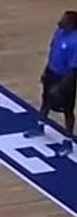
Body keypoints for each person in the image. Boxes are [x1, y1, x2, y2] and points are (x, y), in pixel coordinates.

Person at [24, 10, 77, 156]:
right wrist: (46, 71)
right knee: (45, 100)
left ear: (72, 24)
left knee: (67, 110)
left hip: (65, 78)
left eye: (64, 19)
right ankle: (40, 126)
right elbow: (52, 52)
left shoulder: (75, 41)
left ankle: (68, 141)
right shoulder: (59, 32)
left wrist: (61, 87)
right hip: (51, 73)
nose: (60, 21)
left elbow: (74, 69)